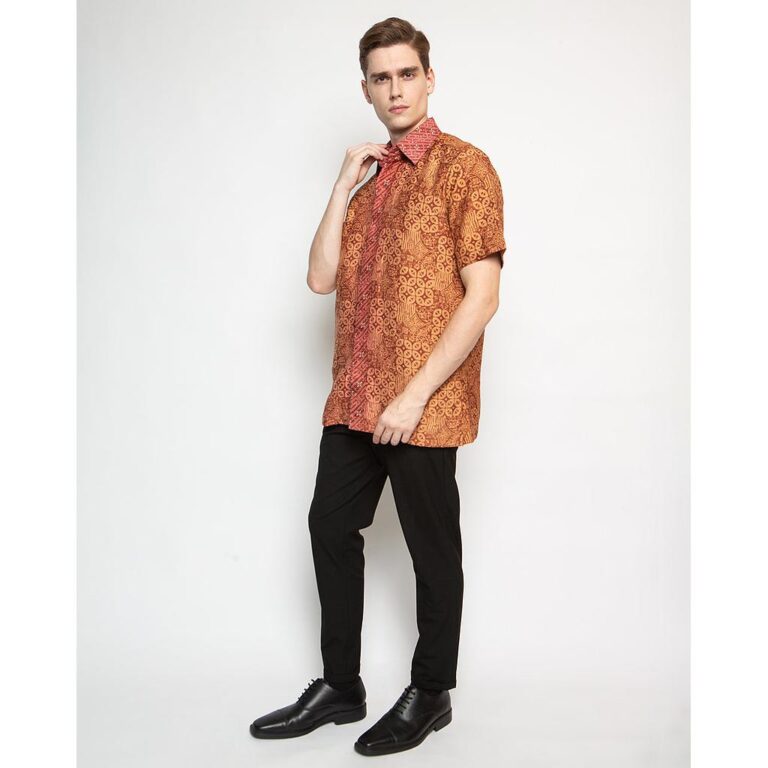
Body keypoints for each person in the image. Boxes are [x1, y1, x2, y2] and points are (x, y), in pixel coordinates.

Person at [249, 16, 506, 756]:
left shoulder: (465, 168)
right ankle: (341, 686)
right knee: (329, 527)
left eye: (407, 74)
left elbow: (482, 298)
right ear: (365, 89)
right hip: (356, 396)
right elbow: (319, 278)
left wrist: (414, 394)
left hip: (422, 402)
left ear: (430, 79)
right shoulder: (367, 183)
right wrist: (341, 187)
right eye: (380, 78)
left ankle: (432, 691)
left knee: (432, 549)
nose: (395, 89)